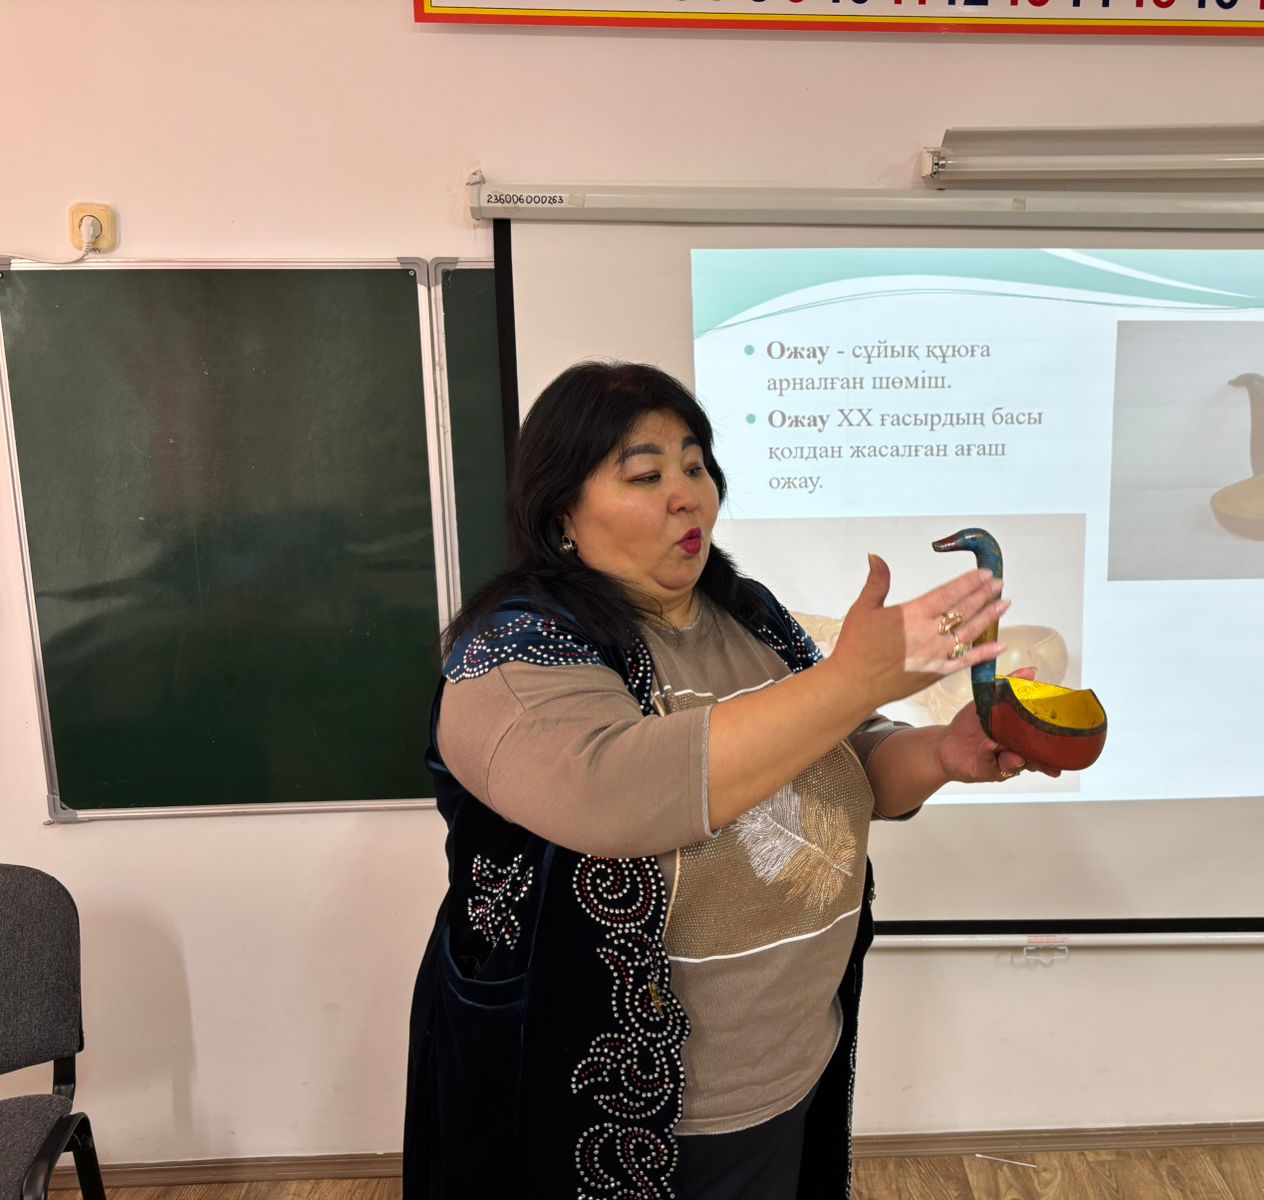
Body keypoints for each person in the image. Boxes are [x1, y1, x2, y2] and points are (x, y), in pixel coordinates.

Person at [402, 361, 1054, 1198]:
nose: (688, 496)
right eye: (646, 476)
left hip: (788, 1061)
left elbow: (841, 755)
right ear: (562, 512)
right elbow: (616, 795)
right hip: (613, 1106)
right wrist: (850, 681)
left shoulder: (748, 614)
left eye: (695, 465)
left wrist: (939, 754)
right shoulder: (511, 654)